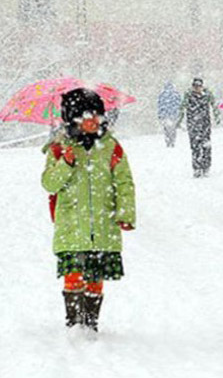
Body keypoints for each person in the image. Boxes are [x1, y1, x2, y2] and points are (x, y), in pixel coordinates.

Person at [41, 88, 136, 334]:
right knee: (74, 274)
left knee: (95, 277)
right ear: (73, 119)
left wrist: (125, 213)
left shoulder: (111, 147)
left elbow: (124, 181)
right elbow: (49, 183)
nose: (93, 121)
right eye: (86, 116)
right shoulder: (59, 148)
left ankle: (90, 323)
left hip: (103, 225)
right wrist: (66, 162)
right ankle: (74, 323)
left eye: (97, 115)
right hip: (72, 226)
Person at [177, 77, 220, 177]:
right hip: (192, 124)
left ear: (202, 86)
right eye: (195, 86)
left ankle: (206, 167)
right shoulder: (188, 95)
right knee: (195, 146)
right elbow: (182, 108)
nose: (197, 88)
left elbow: (214, 105)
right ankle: (196, 168)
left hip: (205, 123)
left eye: (199, 86)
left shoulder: (207, 94)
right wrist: (179, 121)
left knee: (206, 145)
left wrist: (217, 116)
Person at [157, 81, 181, 147]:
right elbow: (179, 104)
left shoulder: (162, 95)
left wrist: (160, 114)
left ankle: (168, 140)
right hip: (173, 115)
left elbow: (160, 105)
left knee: (166, 128)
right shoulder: (176, 94)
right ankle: (172, 140)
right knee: (173, 128)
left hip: (165, 115)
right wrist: (178, 113)